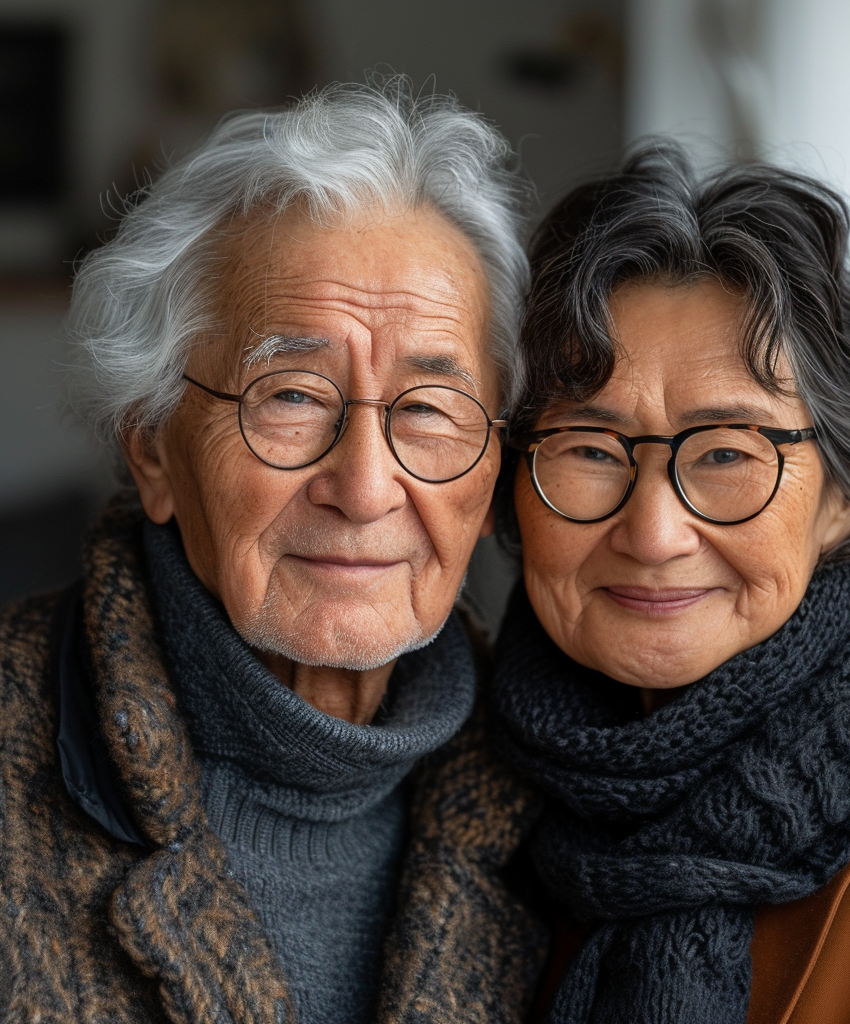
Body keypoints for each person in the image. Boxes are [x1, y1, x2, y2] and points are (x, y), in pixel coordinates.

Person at [0, 81, 547, 1024]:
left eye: (428, 410)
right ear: (152, 446)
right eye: (291, 396)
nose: (367, 486)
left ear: (494, 468)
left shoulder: (562, 799)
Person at [489, 143, 850, 1024]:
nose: (655, 534)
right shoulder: (457, 824)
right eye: (588, 449)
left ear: (847, 493)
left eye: (730, 453)